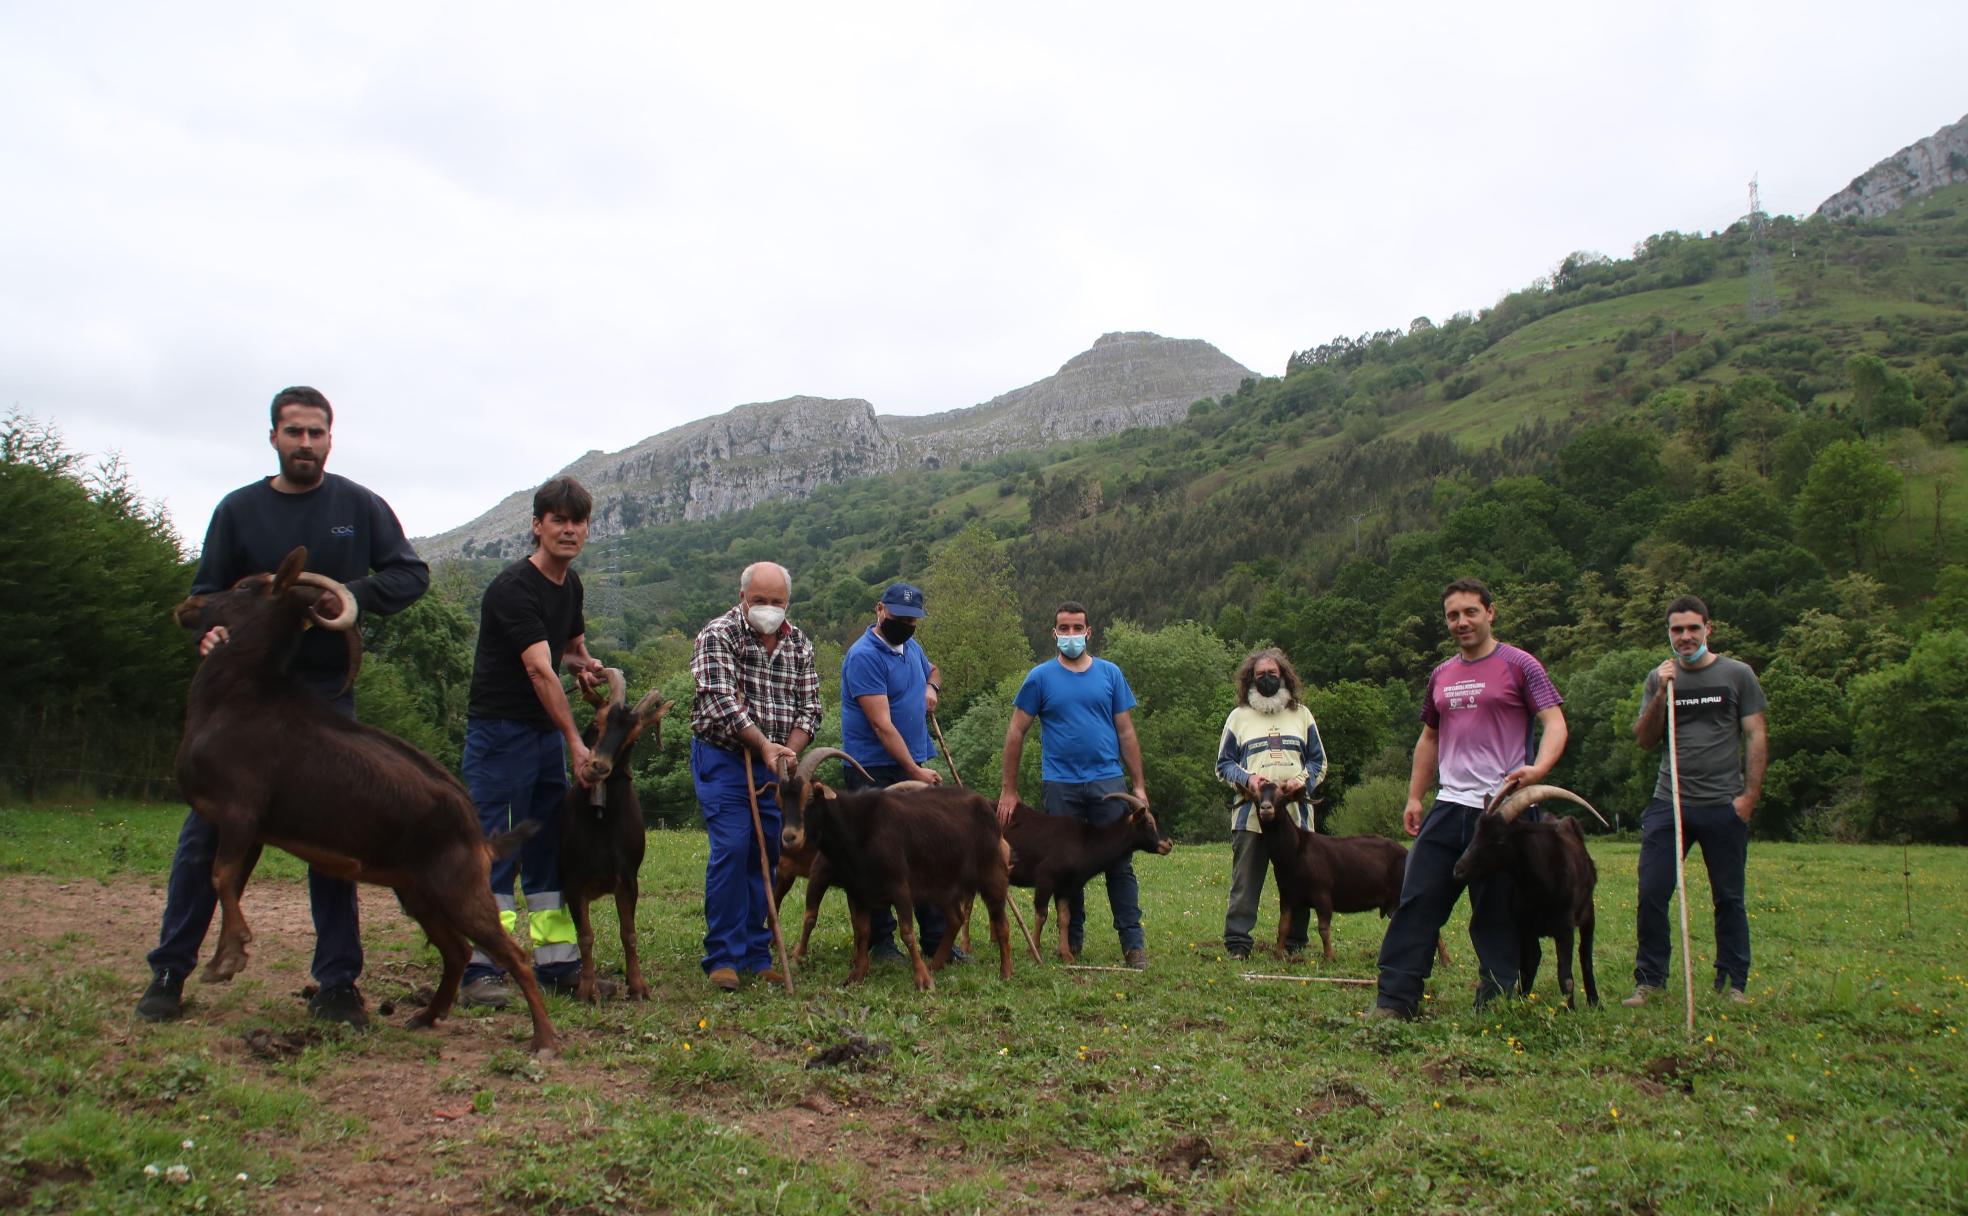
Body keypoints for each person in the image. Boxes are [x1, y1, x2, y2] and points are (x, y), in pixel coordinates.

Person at [137, 386, 430, 1027]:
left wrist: (342, 593)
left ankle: (337, 985)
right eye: (293, 432)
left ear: (331, 438)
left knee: (334, 839)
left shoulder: (358, 506)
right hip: (246, 704)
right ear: (273, 437)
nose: (305, 443)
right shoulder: (239, 510)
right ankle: (168, 971)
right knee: (207, 833)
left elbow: (410, 575)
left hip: (325, 698)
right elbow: (206, 594)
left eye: (316, 433)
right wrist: (204, 634)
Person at [1368, 577, 1568, 1019]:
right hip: (1450, 805)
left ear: (1490, 613)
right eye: (1453, 615)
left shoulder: (1520, 665)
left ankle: (1495, 1002)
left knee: (1497, 908)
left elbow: (1555, 723)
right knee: (1416, 899)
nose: (1461, 622)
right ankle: (1395, 1000)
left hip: (1503, 812)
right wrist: (1415, 796)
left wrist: (1538, 770)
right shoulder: (1441, 674)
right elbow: (1429, 737)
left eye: (1470, 612)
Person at [456, 476, 607, 1008]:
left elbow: (567, 651)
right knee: (493, 846)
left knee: (547, 844)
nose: (569, 529)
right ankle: (480, 968)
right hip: (500, 732)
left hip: (542, 733)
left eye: (578, 520)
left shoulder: (572, 586)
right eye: (558, 520)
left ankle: (557, 962)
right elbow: (540, 671)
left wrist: (587, 668)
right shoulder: (512, 589)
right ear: (537, 526)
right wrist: (575, 741)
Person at [1625, 595, 1768, 1006]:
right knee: (1652, 891)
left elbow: (1756, 735)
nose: (1685, 637)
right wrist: (1661, 693)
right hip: (1669, 802)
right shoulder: (1660, 677)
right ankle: (1650, 981)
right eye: (1676, 630)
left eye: (1692, 628)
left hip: (1724, 803)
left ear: (1708, 628)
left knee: (1728, 896)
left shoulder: (1737, 675)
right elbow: (1645, 738)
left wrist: (1748, 799)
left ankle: (1733, 983)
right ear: (1669, 634)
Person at [995, 600, 1151, 968]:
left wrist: (1139, 785)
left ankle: (1133, 944)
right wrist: (1009, 788)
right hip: (1060, 786)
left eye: (1076, 628)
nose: (1070, 635)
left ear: (1088, 632)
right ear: (1054, 633)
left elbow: (1126, 731)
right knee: (1066, 865)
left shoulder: (1110, 674)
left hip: (1107, 782)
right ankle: (1072, 941)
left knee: (1119, 862)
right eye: (1063, 629)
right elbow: (1016, 731)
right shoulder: (1039, 678)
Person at [690, 561, 822, 991]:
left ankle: (754, 951)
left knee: (766, 850)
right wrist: (761, 744)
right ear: (743, 596)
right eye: (761, 600)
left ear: (788, 603)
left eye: (777, 602)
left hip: (776, 765)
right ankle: (723, 956)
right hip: (726, 756)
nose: (769, 608)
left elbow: (810, 709)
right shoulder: (719, 635)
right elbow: (720, 700)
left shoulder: (798, 643)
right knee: (732, 846)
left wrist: (786, 752)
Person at [839, 582, 955, 962]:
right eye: (898, 617)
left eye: (912, 620)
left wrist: (931, 688)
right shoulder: (864, 656)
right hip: (872, 770)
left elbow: (933, 669)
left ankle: (937, 941)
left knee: (927, 853)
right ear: (879, 610)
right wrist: (916, 773)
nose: (905, 625)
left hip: (912, 762)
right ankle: (880, 941)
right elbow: (881, 726)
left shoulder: (911, 648)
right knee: (876, 858)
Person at [1214, 648, 1327, 960]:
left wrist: (1302, 781)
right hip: (1251, 817)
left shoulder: (1301, 714)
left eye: (1272, 674)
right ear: (1250, 678)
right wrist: (1249, 780)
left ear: (1284, 676)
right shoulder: (1238, 717)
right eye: (1260, 674)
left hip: (1295, 816)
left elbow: (1319, 761)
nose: (1266, 679)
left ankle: (1294, 944)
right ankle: (1238, 944)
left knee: (1301, 877)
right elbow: (1223, 764)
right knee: (1245, 880)